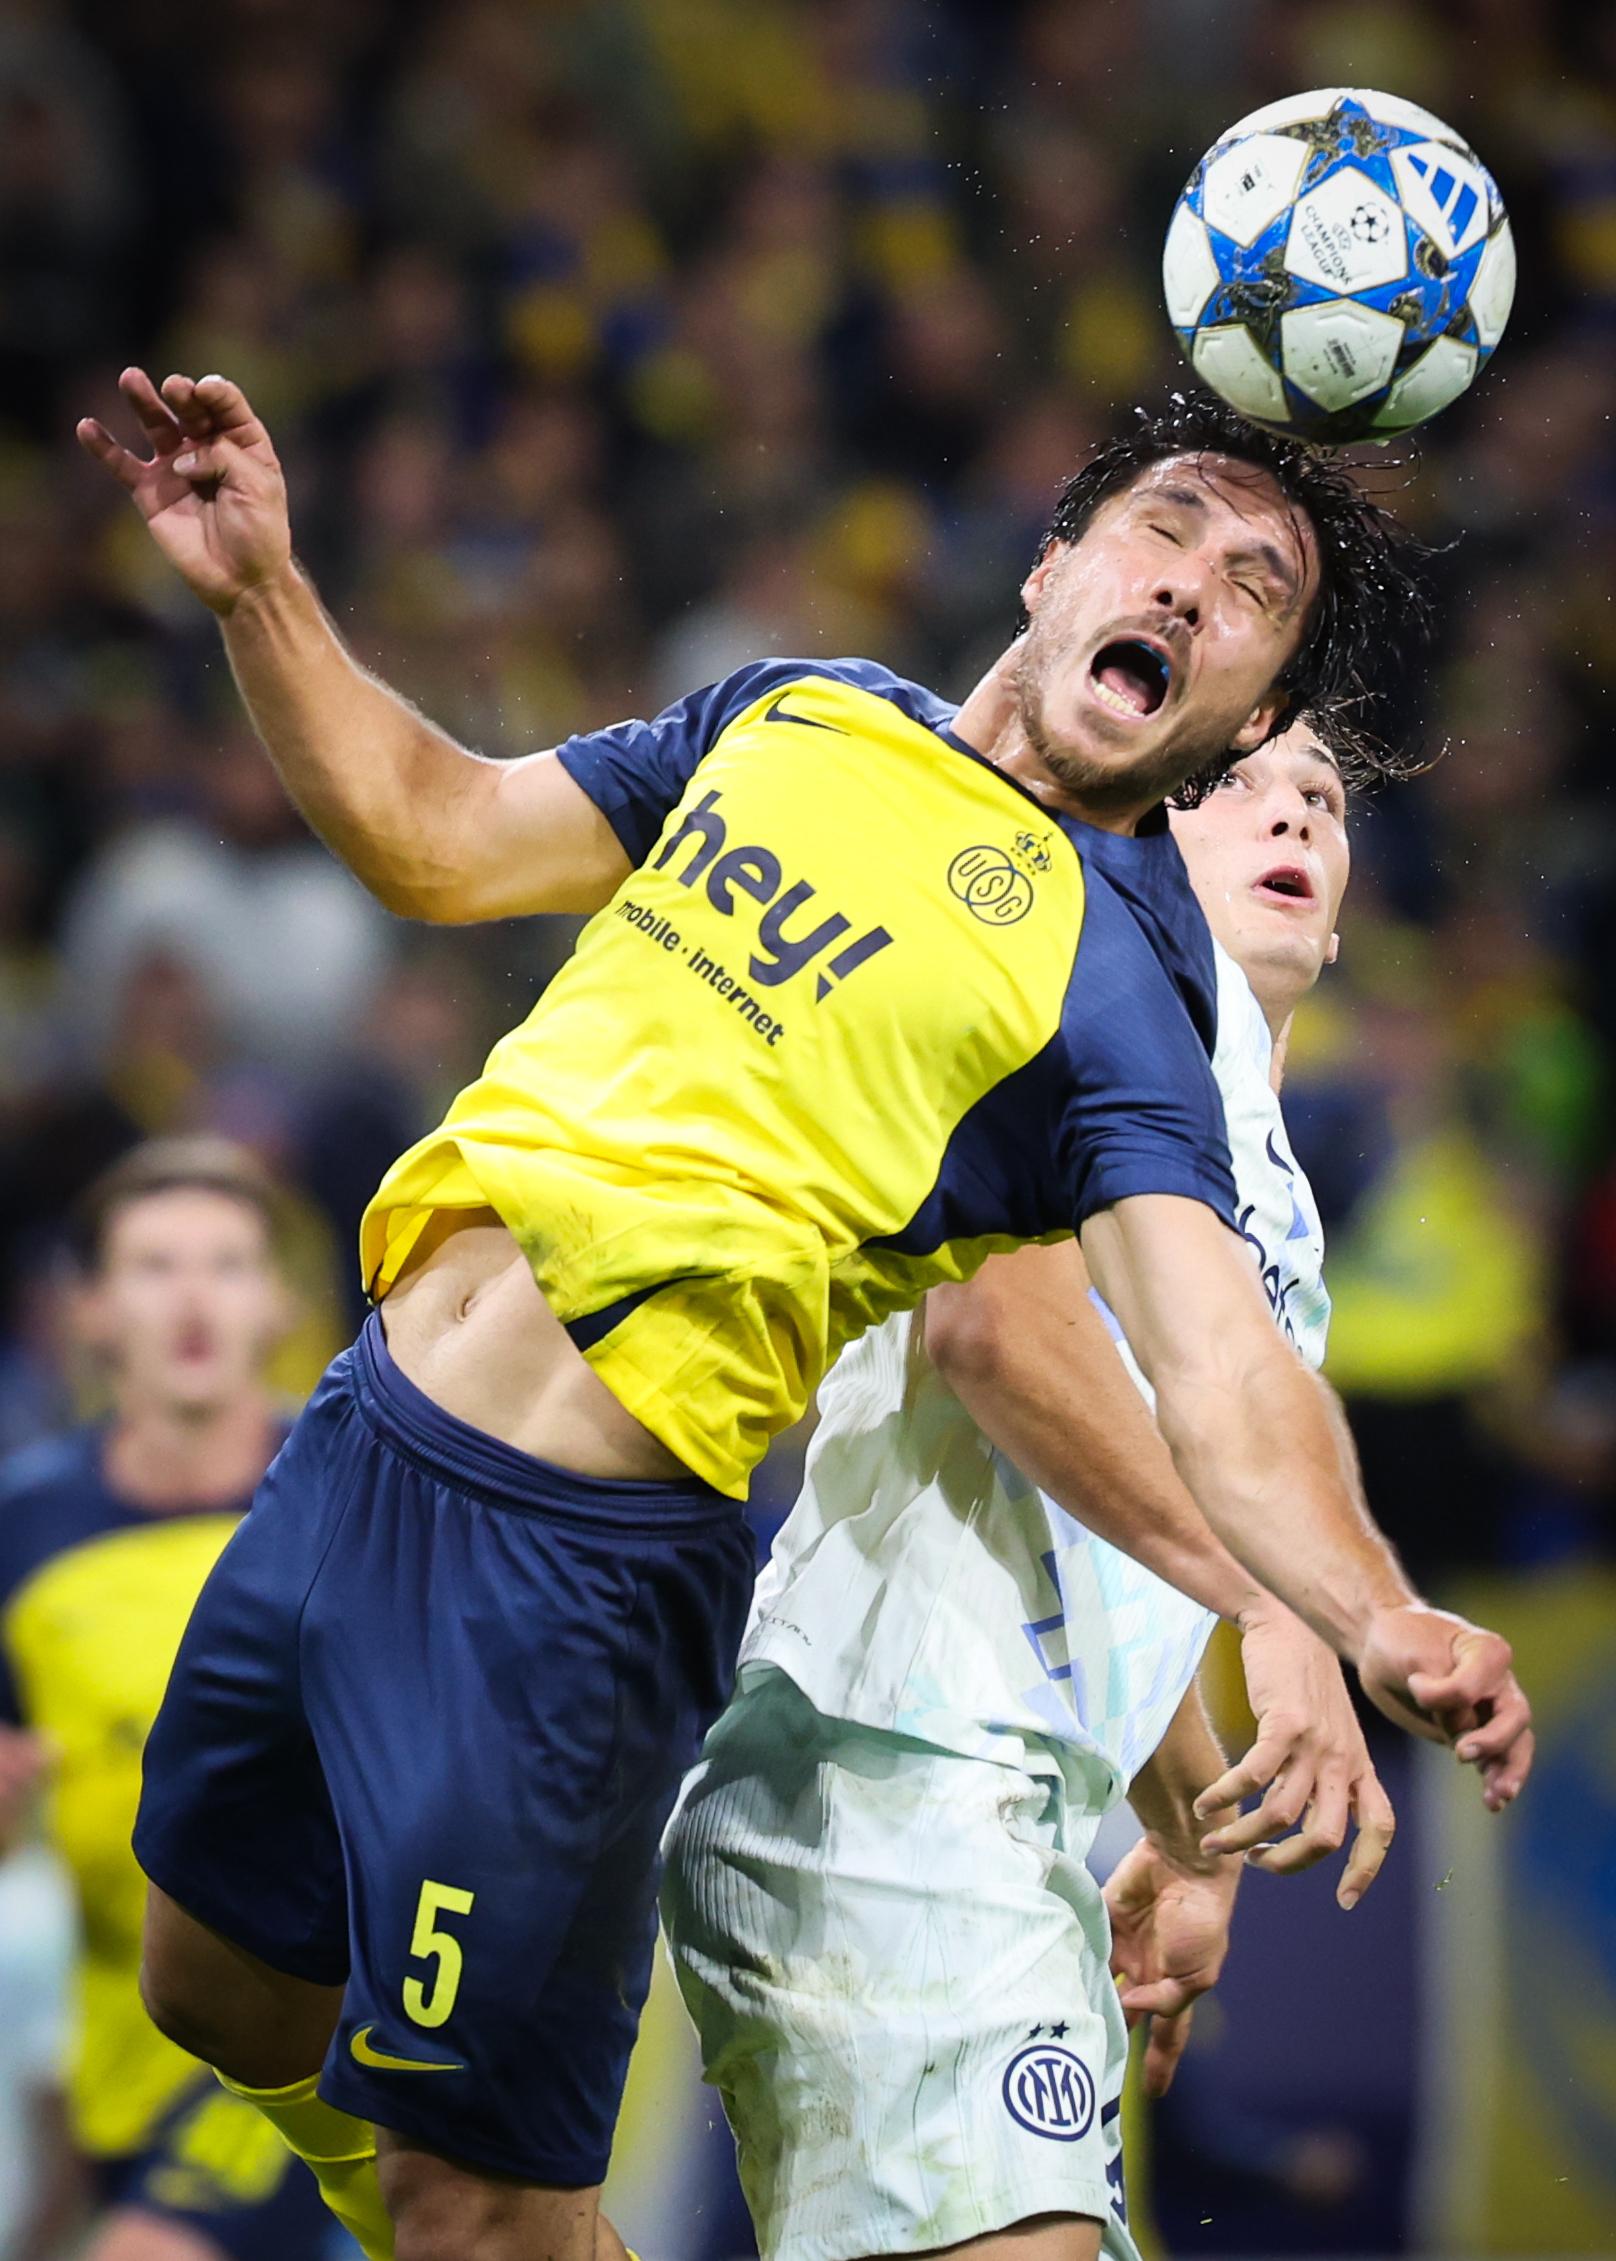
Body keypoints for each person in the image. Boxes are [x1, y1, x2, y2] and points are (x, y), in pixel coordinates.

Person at [76, 368, 1530, 2261]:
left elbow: (1215, 1363)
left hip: (568, 1577)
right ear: (1052, 564)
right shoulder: (796, 711)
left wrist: (1366, 1603)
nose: (1192, 584)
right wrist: (261, 588)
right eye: (1167, 527)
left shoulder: (1107, 995)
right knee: (214, 1984)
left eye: (1255, 592)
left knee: (472, 2206)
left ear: (1240, 715)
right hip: (361, 1438)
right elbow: (431, 834)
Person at [660, 715, 1428, 2261]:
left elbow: (1099, 1542)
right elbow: (998, 1330)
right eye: (1231, 786)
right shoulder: (1075, 1030)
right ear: (1141, 846)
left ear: (1340, 921)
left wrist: (1190, 1829)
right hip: (890, 1783)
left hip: (985, 1822)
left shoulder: (1269, 1202)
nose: (1290, 812)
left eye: (1323, 799)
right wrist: (1277, 1603)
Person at [0, 1139, 336, 2261]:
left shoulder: (360, 1503)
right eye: (153, 1266)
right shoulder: (22, 1537)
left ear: (279, 1299)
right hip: (113, 2064)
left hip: (313, 2033)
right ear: (88, 1307)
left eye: (229, 1263)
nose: (194, 1299)